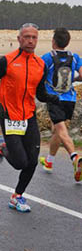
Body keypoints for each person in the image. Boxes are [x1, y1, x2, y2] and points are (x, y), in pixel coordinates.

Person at [0, 23, 60, 213]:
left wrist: (51, 97)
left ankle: (17, 196)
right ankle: (2, 146)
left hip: (29, 116)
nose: (30, 40)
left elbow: (39, 93)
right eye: (27, 37)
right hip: (9, 116)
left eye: (34, 37)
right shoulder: (6, 61)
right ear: (19, 39)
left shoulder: (40, 64)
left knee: (32, 161)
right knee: (19, 163)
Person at [39, 28, 82, 181]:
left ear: (53, 41)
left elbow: (38, 75)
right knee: (56, 130)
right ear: (67, 42)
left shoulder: (47, 57)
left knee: (61, 131)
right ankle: (49, 162)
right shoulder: (75, 57)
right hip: (70, 99)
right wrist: (73, 79)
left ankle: (75, 158)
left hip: (54, 99)